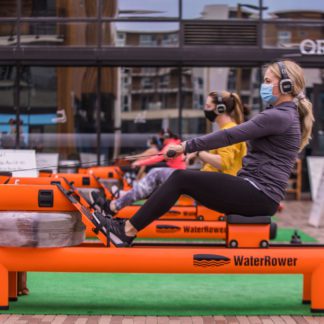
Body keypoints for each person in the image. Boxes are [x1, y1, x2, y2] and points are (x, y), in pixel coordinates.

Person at [101, 60, 314, 247]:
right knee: (177, 180)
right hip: (257, 191)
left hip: (258, 194)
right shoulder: (284, 115)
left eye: (268, 81)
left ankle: (126, 231)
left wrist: (186, 147)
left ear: (286, 85)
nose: (264, 86)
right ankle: (125, 223)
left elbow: (230, 136)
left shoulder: (278, 116)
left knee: (180, 178)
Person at [94, 92, 247, 216]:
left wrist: (199, 152)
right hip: (213, 185)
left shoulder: (229, 131)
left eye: (208, 106)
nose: (205, 109)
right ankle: (118, 201)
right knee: (159, 182)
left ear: (220, 109)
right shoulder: (227, 130)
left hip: (216, 189)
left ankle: (113, 206)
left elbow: (223, 163)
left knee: (156, 174)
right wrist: (197, 155)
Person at [92, 130, 186, 215]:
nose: (162, 141)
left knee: (154, 172)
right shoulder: (177, 144)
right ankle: (123, 195)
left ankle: (117, 202)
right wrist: (134, 158)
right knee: (151, 189)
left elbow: (158, 157)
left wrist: (139, 162)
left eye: (163, 139)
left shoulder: (171, 145)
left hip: (174, 174)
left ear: (167, 138)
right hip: (175, 174)